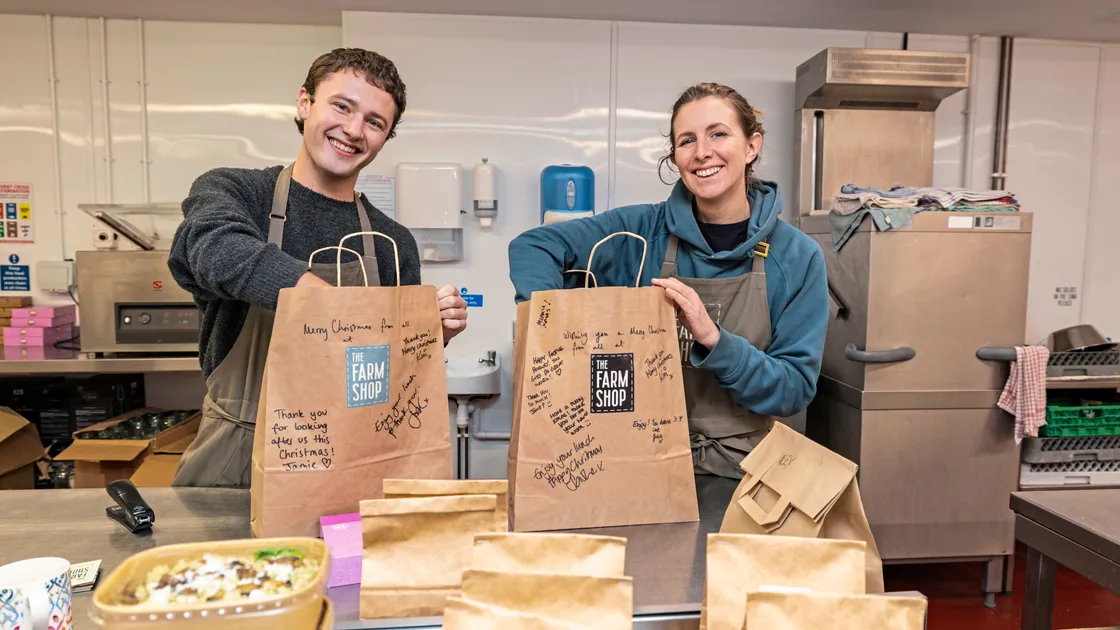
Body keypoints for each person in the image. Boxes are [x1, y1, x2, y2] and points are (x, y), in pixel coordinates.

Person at [167, 48, 468, 488]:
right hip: (239, 456)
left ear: (385, 138)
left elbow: (396, 379)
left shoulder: (392, 242)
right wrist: (327, 302)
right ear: (305, 103)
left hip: (356, 455)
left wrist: (430, 334)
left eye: (374, 122)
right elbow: (211, 249)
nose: (353, 130)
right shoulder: (237, 192)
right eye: (342, 106)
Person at [508, 82, 828, 479]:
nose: (702, 152)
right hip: (636, 464)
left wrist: (714, 341)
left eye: (719, 134)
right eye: (686, 140)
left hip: (741, 472)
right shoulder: (638, 231)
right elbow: (534, 245)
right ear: (675, 157)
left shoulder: (797, 256)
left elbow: (794, 391)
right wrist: (552, 325)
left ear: (751, 146)